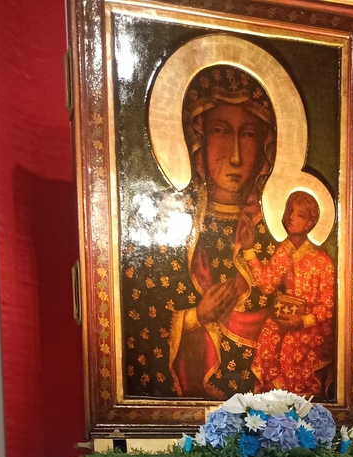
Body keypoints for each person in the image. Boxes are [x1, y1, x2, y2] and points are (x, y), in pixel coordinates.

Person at [122, 65, 279, 400]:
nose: (235, 156)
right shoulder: (161, 225)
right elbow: (137, 325)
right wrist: (195, 317)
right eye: (220, 131)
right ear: (197, 139)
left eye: (248, 134)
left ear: (265, 146)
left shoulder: (274, 231)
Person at [236, 190, 335, 397]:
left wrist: (302, 320)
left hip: (311, 327)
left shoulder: (322, 260)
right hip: (287, 319)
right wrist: (249, 249)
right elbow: (267, 285)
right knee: (270, 331)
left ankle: (295, 401)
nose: (291, 217)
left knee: (292, 343)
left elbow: (327, 307)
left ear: (310, 223)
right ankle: (272, 398)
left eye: (300, 215)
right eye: (289, 210)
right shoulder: (284, 252)